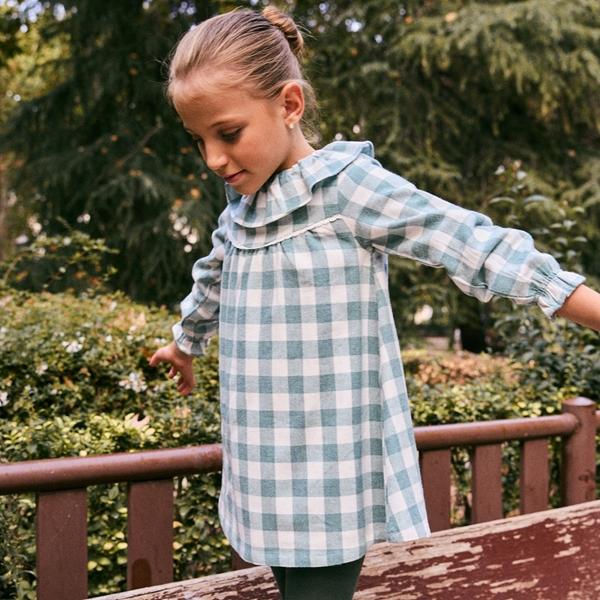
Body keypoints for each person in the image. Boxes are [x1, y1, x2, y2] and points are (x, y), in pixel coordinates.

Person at [149, 7, 600, 599]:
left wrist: (586, 305)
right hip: (262, 462)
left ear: (289, 106)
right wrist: (184, 344)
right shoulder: (243, 211)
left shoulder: (345, 190)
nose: (212, 159)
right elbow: (212, 278)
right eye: (199, 139)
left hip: (328, 473)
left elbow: (468, 242)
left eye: (227, 133)